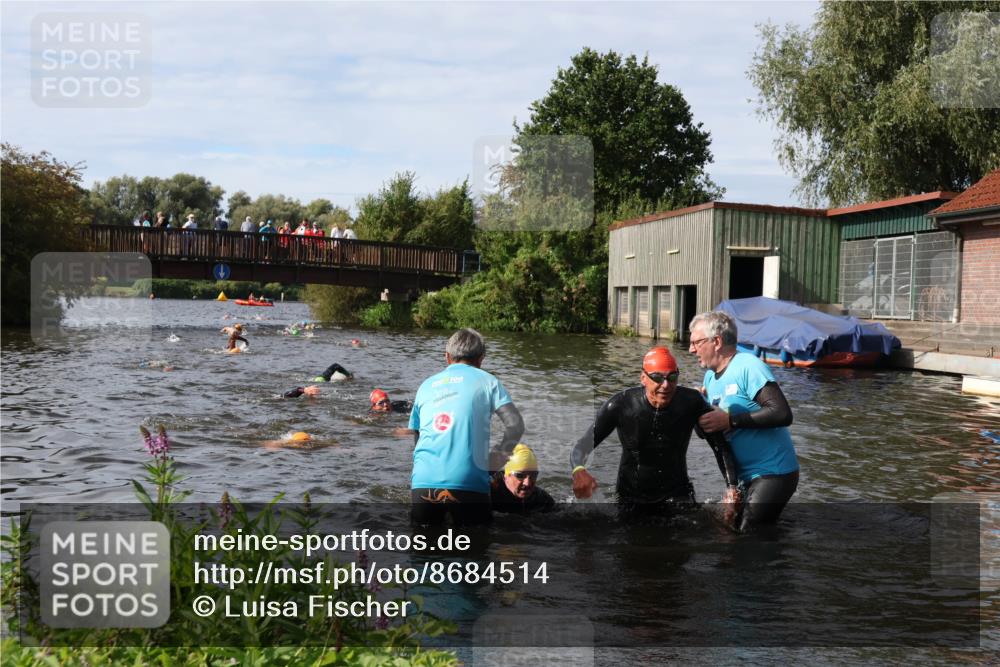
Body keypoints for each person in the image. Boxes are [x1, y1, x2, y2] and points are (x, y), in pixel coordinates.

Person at [570, 347, 739, 517]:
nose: (665, 385)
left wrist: (731, 488)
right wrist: (579, 470)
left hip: (678, 496)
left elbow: (720, 447)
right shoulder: (620, 405)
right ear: (643, 378)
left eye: (672, 377)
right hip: (632, 497)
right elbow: (581, 447)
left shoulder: (692, 402)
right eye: (657, 378)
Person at [689, 311, 800, 532]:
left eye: (696, 343)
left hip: (773, 472)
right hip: (743, 476)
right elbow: (714, 433)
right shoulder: (710, 377)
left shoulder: (748, 366)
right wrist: (697, 412)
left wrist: (730, 420)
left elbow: (782, 413)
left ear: (717, 341)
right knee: (730, 530)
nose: (691, 349)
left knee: (748, 536)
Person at [409, 328, 524, 526]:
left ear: (447, 357)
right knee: (476, 549)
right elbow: (515, 425)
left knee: (423, 550)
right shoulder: (489, 381)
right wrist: (493, 463)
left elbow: (417, 435)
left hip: (423, 482)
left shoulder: (426, 385)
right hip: (469, 483)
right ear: (481, 358)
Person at [491, 444, 555, 514]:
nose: (527, 483)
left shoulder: (543, 500)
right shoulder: (490, 494)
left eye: (533, 475)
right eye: (520, 475)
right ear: (507, 475)